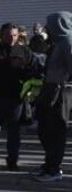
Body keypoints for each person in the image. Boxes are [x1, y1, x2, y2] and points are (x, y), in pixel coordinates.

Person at [0, 23, 42, 171]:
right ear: (1, 35)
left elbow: (35, 69)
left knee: (14, 130)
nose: (11, 38)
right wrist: (4, 65)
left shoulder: (23, 50)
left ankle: (12, 161)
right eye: (8, 35)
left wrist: (25, 74)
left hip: (15, 96)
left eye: (14, 35)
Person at [34, 11, 71, 182]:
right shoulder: (57, 43)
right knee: (45, 129)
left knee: (55, 130)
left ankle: (54, 169)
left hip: (60, 90)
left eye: (49, 24)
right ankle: (48, 164)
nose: (46, 27)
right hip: (49, 88)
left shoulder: (68, 43)